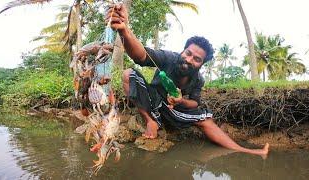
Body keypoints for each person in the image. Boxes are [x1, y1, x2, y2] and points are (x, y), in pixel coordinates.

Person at [106, 4, 269, 157]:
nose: (189, 60)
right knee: (128, 74)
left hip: (174, 110)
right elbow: (140, 56)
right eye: (188, 53)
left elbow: (195, 103)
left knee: (206, 120)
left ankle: (247, 151)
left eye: (197, 59)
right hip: (152, 102)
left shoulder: (198, 79)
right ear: (183, 50)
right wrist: (124, 30)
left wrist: (181, 101)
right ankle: (150, 121)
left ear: (201, 64)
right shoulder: (169, 58)